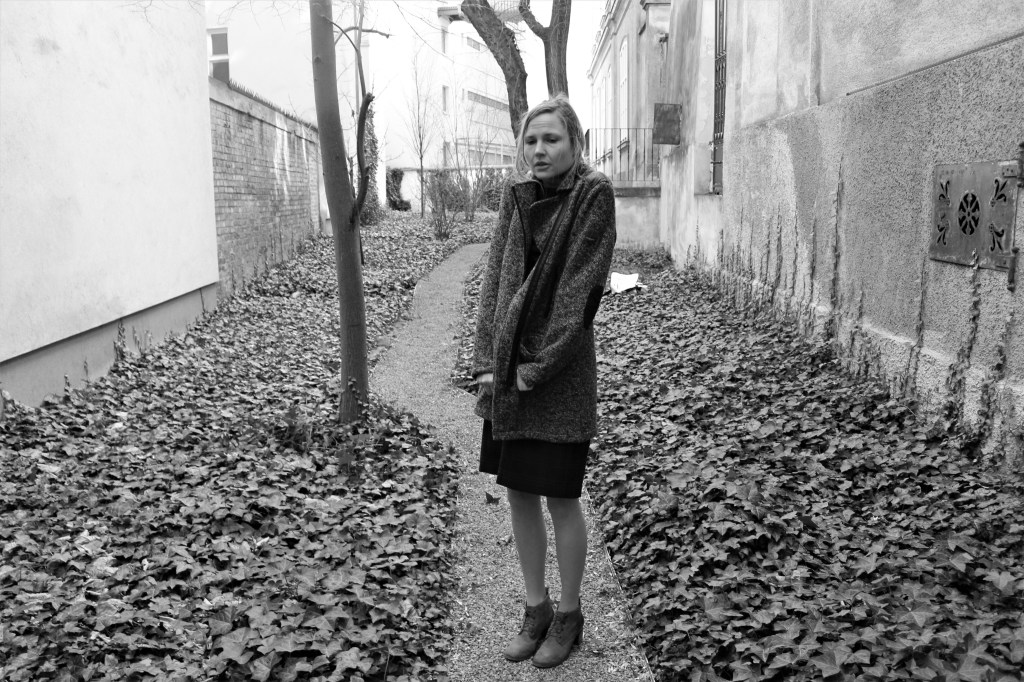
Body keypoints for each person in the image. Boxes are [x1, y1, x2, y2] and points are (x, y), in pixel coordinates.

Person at [471, 94, 616, 669]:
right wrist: (489, 362)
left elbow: (581, 295)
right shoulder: (517, 194)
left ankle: (570, 615)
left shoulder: (592, 194)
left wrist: (536, 369)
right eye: (531, 140)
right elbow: (494, 280)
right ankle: (536, 608)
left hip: (560, 374)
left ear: (574, 143)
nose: (539, 150)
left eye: (551, 139)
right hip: (509, 373)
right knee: (519, 492)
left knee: (561, 496)